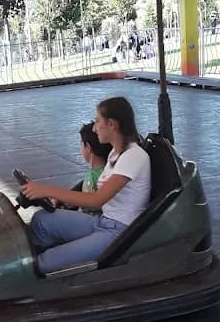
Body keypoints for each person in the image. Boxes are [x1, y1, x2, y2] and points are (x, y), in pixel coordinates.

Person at [21, 97, 151, 274]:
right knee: (41, 221)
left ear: (111, 124)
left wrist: (45, 190)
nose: (95, 127)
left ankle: (40, 270)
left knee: (45, 262)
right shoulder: (116, 152)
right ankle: (32, 260)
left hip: (118, 233)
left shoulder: (133, 156)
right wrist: (64, 199)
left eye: (98, 121)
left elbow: (97, 200)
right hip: (102, 221)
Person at [77, 121, 113, 215]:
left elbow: (89, 205)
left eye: (81, 143)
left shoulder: (95, 177)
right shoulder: (107, 170)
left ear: (88, 147)